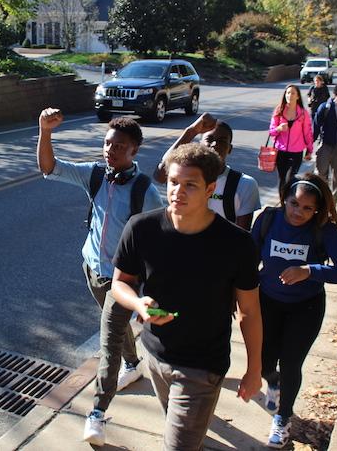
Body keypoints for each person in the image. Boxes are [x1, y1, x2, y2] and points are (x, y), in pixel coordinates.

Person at [112, 143, 263, 450]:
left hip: (202, 366)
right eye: (173, 182)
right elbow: (120, 284)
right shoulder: (141, 228)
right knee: (182, 434)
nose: (178, 192)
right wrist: (137, 303)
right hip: (154, 355)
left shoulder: (237, 244)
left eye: (190, 185)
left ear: (210, 189)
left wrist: (254, 369)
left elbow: (249, 311)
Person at [36, 108, 165, 446]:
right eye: (108, 143)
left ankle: (96, 412)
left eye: (120, 146)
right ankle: (135, 363)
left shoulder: (145, 191)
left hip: (122, 279)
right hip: (91, 267)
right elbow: (49, 168)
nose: (111, 150)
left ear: (134, 151)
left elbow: (160, 238)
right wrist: (45, 132)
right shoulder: (95, 175)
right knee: (115, 327)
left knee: (108, 341)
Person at [251, 174, 337, 448]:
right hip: (268, 301)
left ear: (317, 210)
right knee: (263, 361)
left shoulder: (325, 229)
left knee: (291, 363)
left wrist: (309, 271)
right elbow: (249, 256)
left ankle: (283, 420)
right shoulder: (268, 220)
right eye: (293, 204)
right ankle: (272, 382)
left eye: (307, 208)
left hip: (305, 307)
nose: (298, 212)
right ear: (284, 199)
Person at [154, 112, 261, 230]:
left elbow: (242, 235)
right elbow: (160, 174)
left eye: (222, 141)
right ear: (200, 144)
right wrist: (191, 131)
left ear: (229, 149)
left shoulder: (245, 185)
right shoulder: (184, 175)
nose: (214, 145)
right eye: (209, 139)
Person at [269, 85, 314, 193]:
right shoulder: (279, 111)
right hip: (281, 151)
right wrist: (279, 128)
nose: (290, 95)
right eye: (288, 93)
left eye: (293, 93)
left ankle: (288, 203)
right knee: (281, 180)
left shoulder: (303, 113)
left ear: (298, 96)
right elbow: (271, 131)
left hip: (296, 152)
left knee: (290, 179)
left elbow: (307, 133)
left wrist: (309, 149)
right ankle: (283, 207)